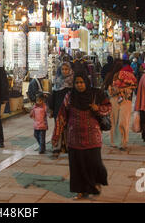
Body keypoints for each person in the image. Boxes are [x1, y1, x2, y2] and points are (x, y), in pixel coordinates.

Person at [52, 72, 111, 200]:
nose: (79, 85)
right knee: (77, 165)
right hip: (74, 137)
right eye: (77, 83)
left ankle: (95, 183)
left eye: (82, 82)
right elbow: (61, 115)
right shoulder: (70, 96)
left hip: (93, 137)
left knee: (95, 163)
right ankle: (80, 191)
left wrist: (98, 108)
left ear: (86, 82)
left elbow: (108, 107)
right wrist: (56, 135)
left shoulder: (96, 94)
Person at [103, 59, 137, 151]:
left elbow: (133, 88)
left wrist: (126, 90)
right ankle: (114, 141)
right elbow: (107, 89)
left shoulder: (129, 76)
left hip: (125, 101)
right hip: (114, 100)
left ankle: (123, 142)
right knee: (114, 121)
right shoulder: (111, 76)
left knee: (123, 121)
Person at [49, 62, 74, 158]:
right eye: (63, 69)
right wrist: (51, 108)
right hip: (58, 109)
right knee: (58, 128)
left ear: (70, 70)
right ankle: (57, 147)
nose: (64, 71)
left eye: (66, 69)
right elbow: (53, 96)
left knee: (68, 128)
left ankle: (68, 146)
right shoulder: (57, 81)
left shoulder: (72, 81)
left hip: (68, 109)